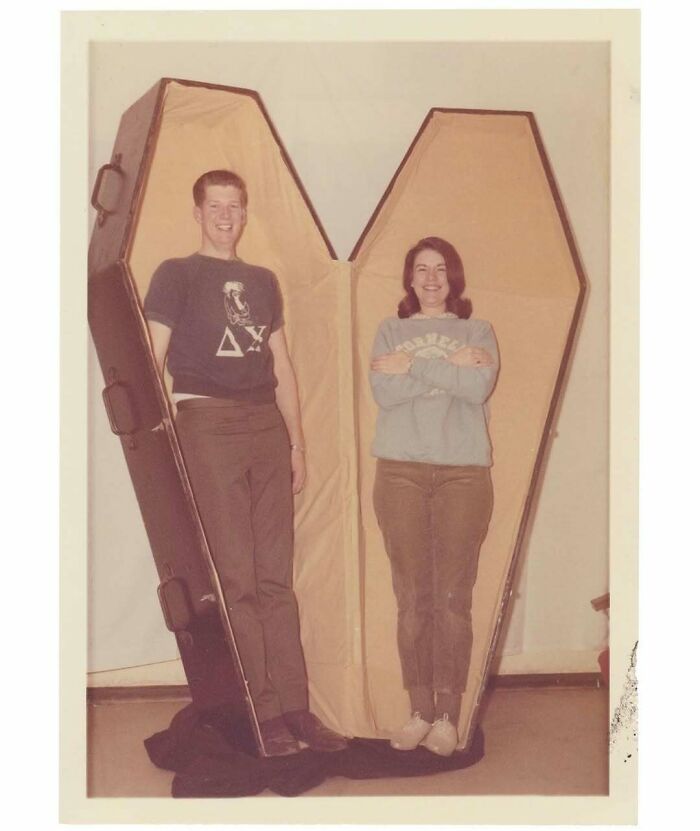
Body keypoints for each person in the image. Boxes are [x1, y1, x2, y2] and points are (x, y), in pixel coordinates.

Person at [143, 169, 347, 757]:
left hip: (266, 429)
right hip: (209, 424)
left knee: (275, 578)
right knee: (236, 578)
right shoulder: (176, 274)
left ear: (245, 212)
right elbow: (152, 357)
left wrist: (297, 444)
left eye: (235, 206)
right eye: (215, 206)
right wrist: (167, 439)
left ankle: (297, 709)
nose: (226, 216)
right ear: (198, 212)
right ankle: (263, 714)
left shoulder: (262, 281)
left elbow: (281, 365)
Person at [369, 236, 498, 757]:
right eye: (421, 269)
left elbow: (476, 389)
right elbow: (384, 393)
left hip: (463, 474)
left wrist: (414, 366)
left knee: (452, 599)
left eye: (440, 268)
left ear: (453, 277)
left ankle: (447, 715)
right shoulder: (389, 330)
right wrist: (450, 368)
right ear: (409, 278)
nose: (430, 278)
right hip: (399, 472)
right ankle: (419, 710)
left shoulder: (478, 331)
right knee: (412, 598)